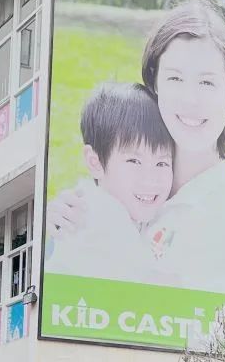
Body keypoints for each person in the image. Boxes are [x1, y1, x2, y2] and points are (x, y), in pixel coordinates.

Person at [48, 0, 225, 296]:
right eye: (175, 78)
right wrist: (55, 222)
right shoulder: (132, 174)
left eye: (207, 83)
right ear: (154, 85)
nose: (191, 99)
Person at [44, 82, 175, 285]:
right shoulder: (90, 215)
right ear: (94, 162)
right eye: (134, 161)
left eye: (162, 163)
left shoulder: (143, 216)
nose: (150, 179)